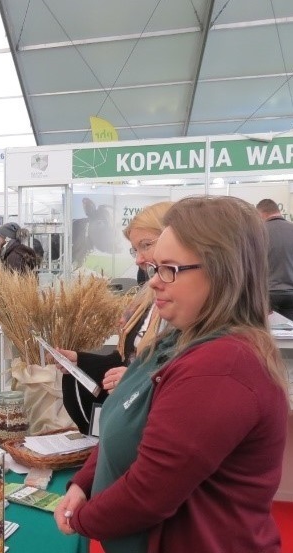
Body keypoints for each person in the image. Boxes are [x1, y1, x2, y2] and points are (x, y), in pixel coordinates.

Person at [55, 196, 289, 553]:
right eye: (155, 268)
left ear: (220, 270)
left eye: (170, 269)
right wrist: (83, 484)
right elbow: (124, 423)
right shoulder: (182, 339)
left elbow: (149, 493)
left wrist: (82, 519)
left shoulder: (221, 368)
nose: (154, 282)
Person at [56, 201, 171, 433]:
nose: (138, 259)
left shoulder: (188, 310)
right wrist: (80, 360)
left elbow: (180, 375)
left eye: (146, 245)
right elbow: (127, 359)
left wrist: (136, 379)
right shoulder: (147, 299)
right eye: (135, 250)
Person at [256, 198, 293, 320]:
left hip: (266, 296)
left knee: (267, 334)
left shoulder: (258, 234)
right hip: (291, 296)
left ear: (260, 214)